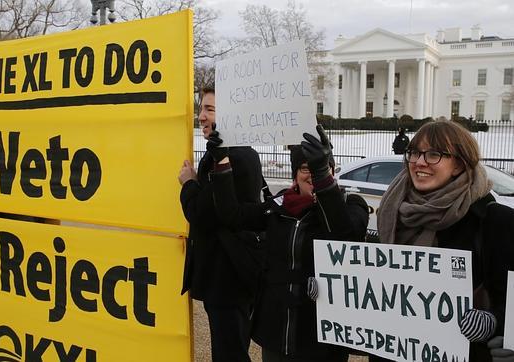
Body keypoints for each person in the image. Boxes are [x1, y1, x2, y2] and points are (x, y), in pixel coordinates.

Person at [208, 125, 369, 361]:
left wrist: (321, 173)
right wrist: (221, 163)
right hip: (276, 332)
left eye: (322, 168)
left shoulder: (351, 204)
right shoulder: (279, 206)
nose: (312, 174)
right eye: (306, 168)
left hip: (321, 337)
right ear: (295, 174)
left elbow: (342, 234)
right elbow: (232, 215)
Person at [377, 120, 514, 361]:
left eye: (433, 154)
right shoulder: (393, 212)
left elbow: (509, 302)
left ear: (459, 164)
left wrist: (494, 323)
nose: (419, 162)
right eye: (414, 152)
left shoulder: (494, 220)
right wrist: (329, 291)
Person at [178, 86, 264, 361]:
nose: (201, 116)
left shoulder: (236, 156)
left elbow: (202, 213)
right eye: (201, 108)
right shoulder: (228, 153)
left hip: (228, 276)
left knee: (230, 354)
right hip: (226, 275)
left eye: (210, 109)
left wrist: (189, 183)